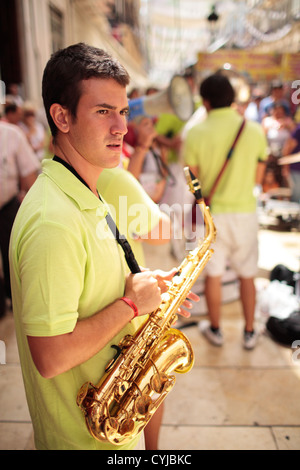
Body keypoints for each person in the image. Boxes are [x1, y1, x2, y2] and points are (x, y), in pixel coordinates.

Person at [9, 42, 197, 451]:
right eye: (102, 112)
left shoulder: (85, 189)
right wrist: (130, 306)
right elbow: (51, 356)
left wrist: (144, 288)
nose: (121, 128)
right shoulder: (52, 222)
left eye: (123, 111)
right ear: (61, 116)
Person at [183, 73, 268, 350]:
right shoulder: (253, 130)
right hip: (245, 212)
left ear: (205, 102)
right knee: (247, 274)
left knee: (214, 275)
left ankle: (216, 329)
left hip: (212, 215)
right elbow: (259, 175)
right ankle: (249, 331)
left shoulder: (196, 133)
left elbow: (192, 181)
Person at [0, 120, 40, 315]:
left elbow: (29, 176)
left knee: (11, 259)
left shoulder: (11, 134)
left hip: (7, 208)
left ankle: (13, 301)